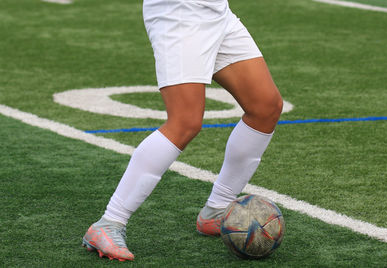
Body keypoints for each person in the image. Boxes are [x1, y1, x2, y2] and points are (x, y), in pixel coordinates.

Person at [82, 0, 283, 261]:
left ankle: (217, 209)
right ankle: (109, 223)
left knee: (265, 107)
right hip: (179, 14)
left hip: (216, 12)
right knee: (185, 121)